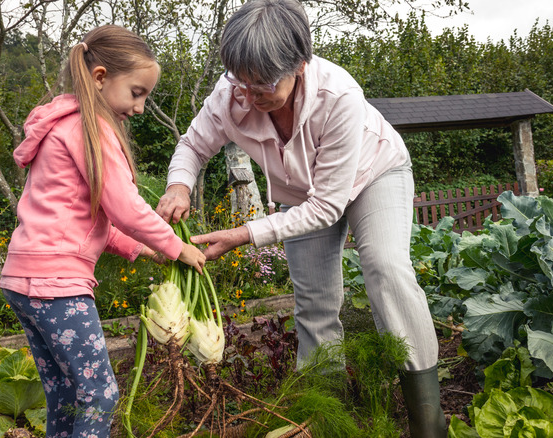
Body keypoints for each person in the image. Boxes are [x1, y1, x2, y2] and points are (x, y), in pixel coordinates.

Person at [154, 0, 446, 436]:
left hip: (374, 175)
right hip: (299, 196)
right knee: (314, 304)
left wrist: (245, 234)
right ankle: (329, 418)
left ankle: (428, 422)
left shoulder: (339, 96)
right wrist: (179, 183)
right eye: (243, 81)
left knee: (387, 270)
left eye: (264, 83)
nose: (251, 95)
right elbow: (193, 146)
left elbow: (327, 207)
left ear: (301, 63)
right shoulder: (230, 92)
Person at [0, 25, 206, 438]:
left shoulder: (62, 127)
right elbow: (125, 208)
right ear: (100, 77)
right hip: (56, 284)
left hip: (23, 279)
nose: (142, 107)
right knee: (100, 394)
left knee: (64, 393)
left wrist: (144, 250)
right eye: (137, 92)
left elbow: (87, 219)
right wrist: (178, 247)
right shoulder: (91, 131)